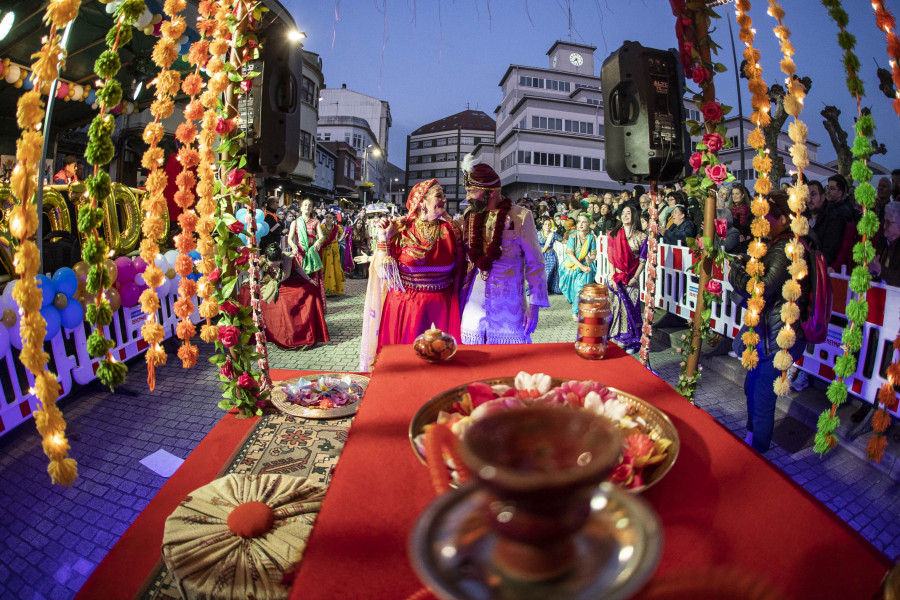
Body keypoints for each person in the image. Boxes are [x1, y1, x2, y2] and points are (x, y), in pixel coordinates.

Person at [728, 190, 811, 453]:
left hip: (775, 337)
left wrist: (736, 275)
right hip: (770, 331)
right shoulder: (785, 244)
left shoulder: (785, 248)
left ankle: (757, 454)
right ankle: (752, 441)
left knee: (761, 398)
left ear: (784, 219)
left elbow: (761, 289)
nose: (761, 223)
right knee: (752, 389)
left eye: (767, 217)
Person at [358, 180, 463, 371]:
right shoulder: (400, 228)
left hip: (442, 308)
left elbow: (463, 268)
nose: (444, 200)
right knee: (407, 366)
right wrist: (383, 239)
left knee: (441, 367)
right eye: (438, 195)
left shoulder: (451, 230)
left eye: (443, 195)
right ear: (422, 201)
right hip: (406, 309)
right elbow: (383, 273)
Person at [458, 156, 549, 344]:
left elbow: (536, 263)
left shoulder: (521, 216)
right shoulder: (470, 215)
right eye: (467, 191)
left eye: (472, 191)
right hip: (474, 305)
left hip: (509, 306)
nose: (467, 197)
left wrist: (534, 306)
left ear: (491, 192)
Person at [606, 204, 647, 354]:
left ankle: (629, 339)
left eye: (628, 213)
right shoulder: (614, 234)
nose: (625, 216)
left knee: (629, 308)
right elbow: (611, 258)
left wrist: (635, 278)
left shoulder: (642, 237)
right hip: (615, 276)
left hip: (631, 279)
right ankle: (615, 337)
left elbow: (642, 261)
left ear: (634, 216)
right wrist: (612, 276)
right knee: (615, 307)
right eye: (623, 213)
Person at [287, 198, 326, 308]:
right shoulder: (295, 222)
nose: (307, 207)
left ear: (312, 208)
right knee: (300, 279)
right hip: (300, 254)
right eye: (305, 205)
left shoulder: (315, 222)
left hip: (312, 253)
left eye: (309, 205)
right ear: (300, 207)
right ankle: (301, 304)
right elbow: (289, 239)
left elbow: (321, 236)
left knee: (313, 280)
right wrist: (293, 246)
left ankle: (314, 305)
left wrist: (318, 241)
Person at [559, 214, 598, 319]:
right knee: (570, 289)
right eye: (579, 221)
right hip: (571, 266)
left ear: (589, 224)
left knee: (580, 288)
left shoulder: (591, 238)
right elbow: (570, 255)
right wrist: (580, 266)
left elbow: (594, 254)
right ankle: (576, 307)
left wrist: (590, 259)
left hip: (585, 266)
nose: (581, 224)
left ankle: (575, 312)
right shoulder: (572, 236)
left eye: (584, 222)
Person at [871, 201, 900, 287]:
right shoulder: (883, 240)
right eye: (884, 221)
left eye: (888, 223)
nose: (884, 226)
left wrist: (880, 270)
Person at [320, 212, 345, 296]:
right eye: (326, 217)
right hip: (324, 249)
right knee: (325, 267)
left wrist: (339, 240)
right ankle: (324, 289)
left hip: (334, 249)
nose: (327, 219)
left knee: (334, 267)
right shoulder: (322, 227)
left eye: (330, 218)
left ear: (333, 219)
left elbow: (344, 233)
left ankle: (334, 290)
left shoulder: (336, 228)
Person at [538, 217, 563, 294]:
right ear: (543, 226)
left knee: (548, 272)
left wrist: (573, 240)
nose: (547, 226)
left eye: (549, 224)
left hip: (551, 255)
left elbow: (563, 240)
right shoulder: (538, 234)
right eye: (545, 224)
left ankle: (546, 289)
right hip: (541, 255)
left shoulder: (553, 234)